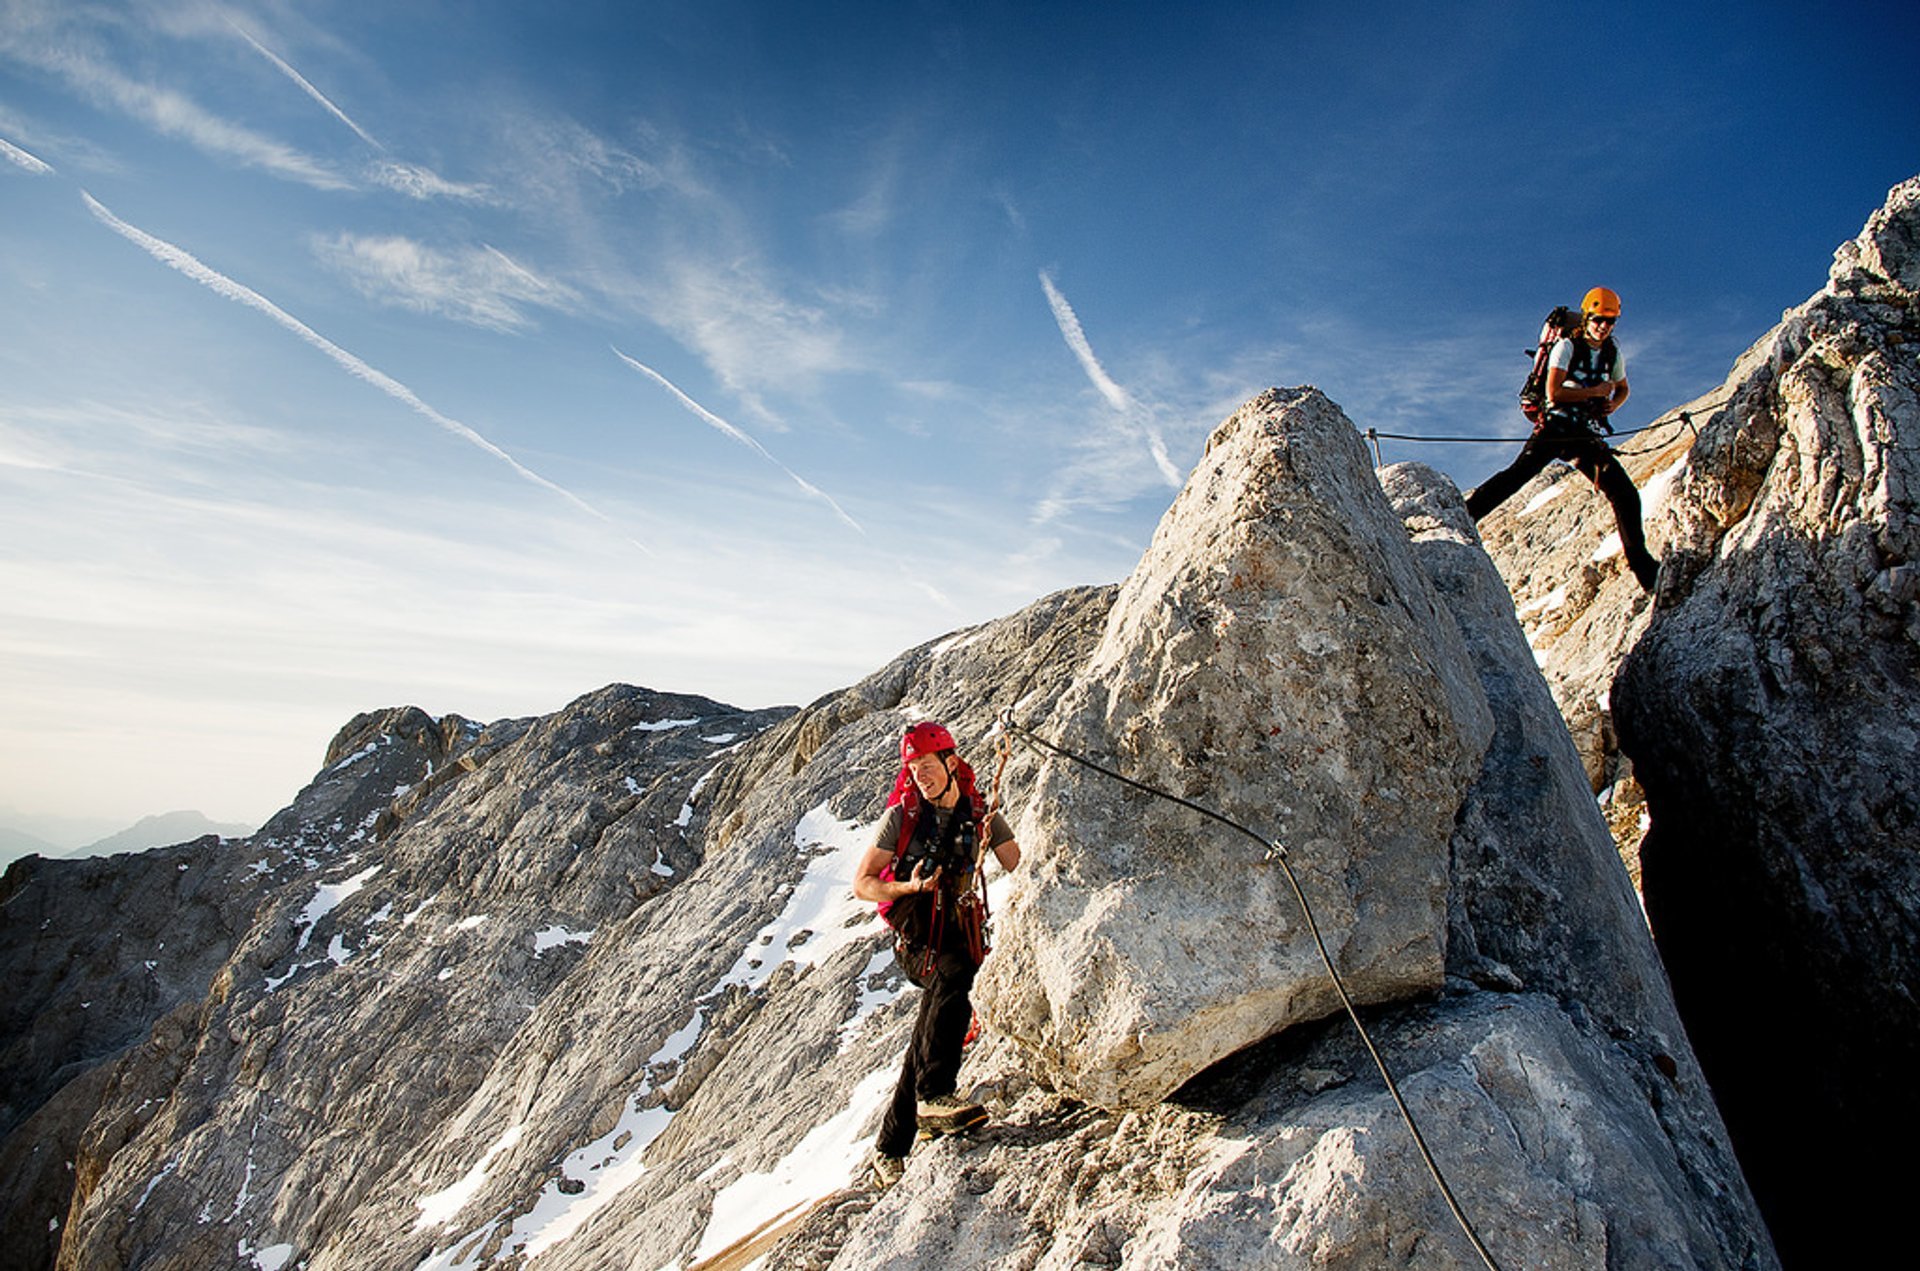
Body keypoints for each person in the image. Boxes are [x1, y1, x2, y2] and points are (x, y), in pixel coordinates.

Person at [854, 721, 1020, 1189]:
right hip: (918, 939)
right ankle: (934, 1095)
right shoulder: (902, 816)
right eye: (913, 768)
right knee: (954, 973)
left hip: (957, 930)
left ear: (951, 762)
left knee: (928, 1030)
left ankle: (890, 1148)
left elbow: (1016, 860)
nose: (919, 776)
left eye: (926, 766)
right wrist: (909, 885)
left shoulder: (979, 811)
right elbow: (863, 883)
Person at [1466, 286, 1661, 591]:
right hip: (1555, 428)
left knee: (1624, 493)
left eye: (1610, 321)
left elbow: (1623, 387)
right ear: (1587, 317)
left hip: (1583, 434)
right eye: (1598, 319)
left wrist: (1614, 403)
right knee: (1516, 477)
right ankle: (1465, 515)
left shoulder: (1612, 352)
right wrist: (1595, 393)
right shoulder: (1567, 347)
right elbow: (1553, 393)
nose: (1604, 327)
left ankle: (1646, 573)